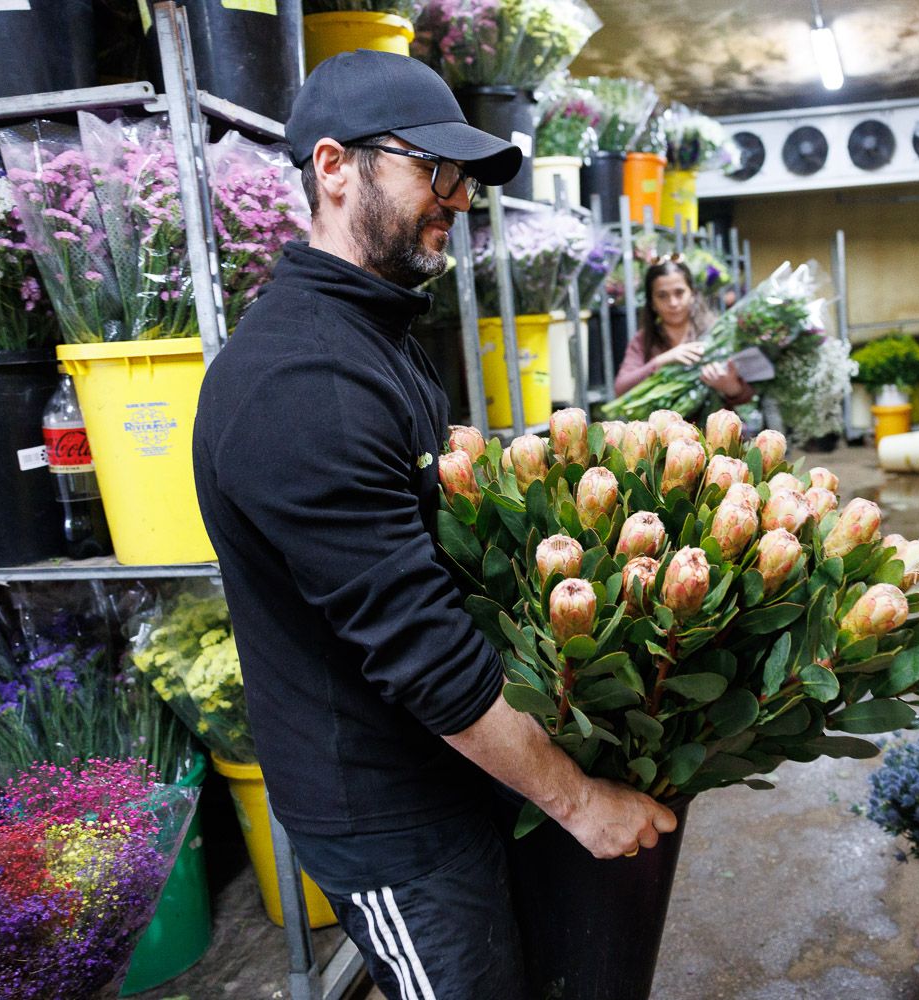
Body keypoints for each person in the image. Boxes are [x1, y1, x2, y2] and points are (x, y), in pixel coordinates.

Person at [191, 51, 676, 1000]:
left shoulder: (374, 335)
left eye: (465, 180)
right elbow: (422, 654)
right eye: (434, 170)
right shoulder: (302, 382)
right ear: (334, 166)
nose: (456, 199)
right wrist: (580, 803)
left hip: (454, 767)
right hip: (387, 815)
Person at [614, 256, 754, 404]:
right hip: (661, 419)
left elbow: (750, 393)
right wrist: (662, 360)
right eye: (662, 296)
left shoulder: (718, 332)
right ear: (652, 303)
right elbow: (621, 388)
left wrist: (731, 387)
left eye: (679, 292)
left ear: (692, 294)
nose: (673, 303)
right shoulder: (643, 339)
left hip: (714, 419)